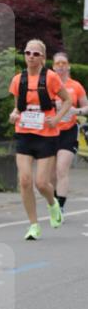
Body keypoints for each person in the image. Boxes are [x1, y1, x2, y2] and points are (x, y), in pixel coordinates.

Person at [8, 39, 72, 240]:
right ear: (24, 55)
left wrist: (57, 118)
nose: (31, 57)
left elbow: (68, 101)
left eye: (36, 54)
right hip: (25, 133)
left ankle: (53, 205)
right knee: (25, 181)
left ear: (43, 57)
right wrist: (14, 114)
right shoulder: (18, 80)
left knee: (42, 183)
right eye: (28, 53)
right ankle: (34, 225)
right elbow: (18, 106)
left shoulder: (51, 78)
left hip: (46, 135)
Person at [50, 51, 88, 217]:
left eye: (64, 63)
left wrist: (76, 110)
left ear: (69, 66)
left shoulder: (76, 86)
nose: (61, 66)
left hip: (69, 131)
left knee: (61, 169)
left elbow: (86, 107)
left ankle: (60, 206)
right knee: (49, 175)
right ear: (53, 67)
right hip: (50, 131)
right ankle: (53, 202)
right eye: (58, 64)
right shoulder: (48, 86)